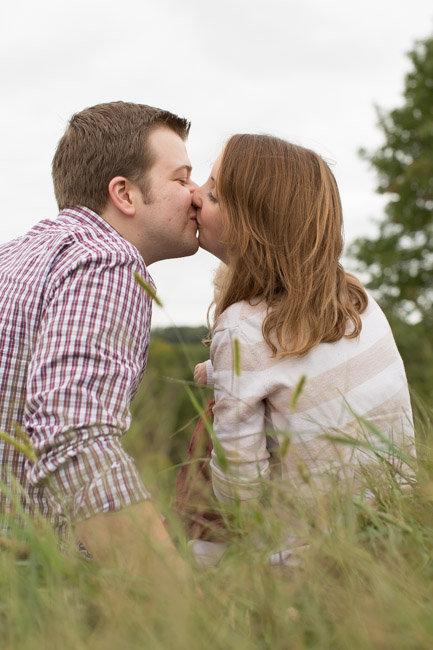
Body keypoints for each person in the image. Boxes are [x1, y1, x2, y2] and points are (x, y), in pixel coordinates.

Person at [176, 133, 415, 556]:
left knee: (170, 558)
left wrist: (226, 380)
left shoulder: (240, 328)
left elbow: (241, 492)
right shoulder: (356, 300)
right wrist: (223, 374)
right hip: (391, 534)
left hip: (297, 560)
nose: (194, 196)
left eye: (213, 194)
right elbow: (316, 374)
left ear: (252, 224)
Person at [0, 101, 199, 577]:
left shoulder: (14, 256)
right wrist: (182, 607)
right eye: (181, 178)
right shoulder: (109, 260)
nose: (197, 194)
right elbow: (73, 433)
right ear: (125, 194)